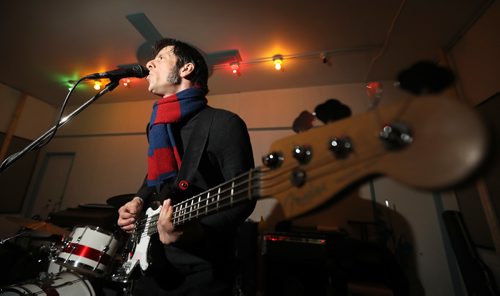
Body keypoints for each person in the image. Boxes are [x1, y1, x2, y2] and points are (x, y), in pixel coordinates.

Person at [117, 38, 256, 295]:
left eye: (160, 58)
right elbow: (156, 176)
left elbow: (244, 196)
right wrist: (138, 199)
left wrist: (194, 232)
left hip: (202, 269)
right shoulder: (157, 125)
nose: (149, 63)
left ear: (186, 69)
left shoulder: (223, 123)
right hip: (153, 263)